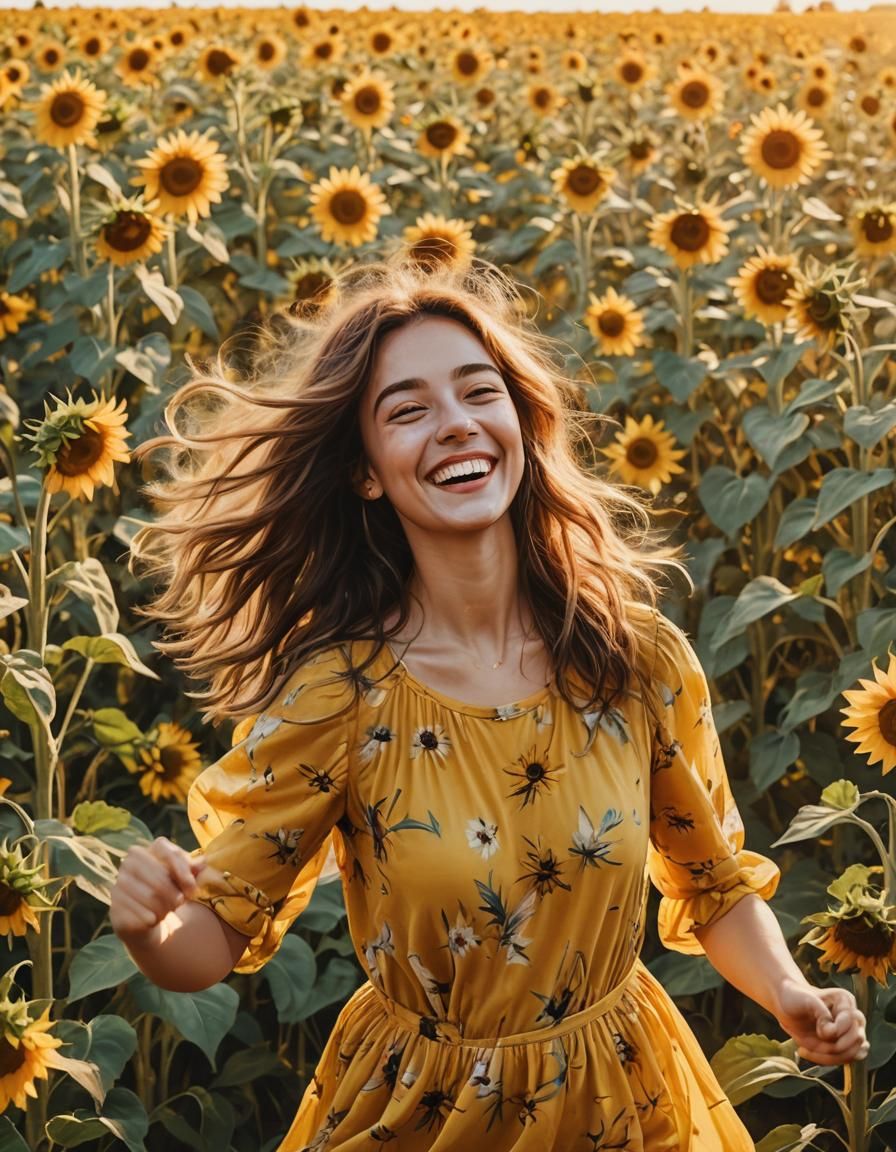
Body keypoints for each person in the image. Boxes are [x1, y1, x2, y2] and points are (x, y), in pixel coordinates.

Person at [111, 257, 868, 1151]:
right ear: (365, 471)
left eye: (479, 392)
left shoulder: (634, 662)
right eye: (409, 410)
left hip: (623, 1101)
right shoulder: (342, 695)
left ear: (520, 421)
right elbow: (211, 941)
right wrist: (148, 928)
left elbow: (712, 886)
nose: (457, 425)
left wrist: (788, 991)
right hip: (421, 1113)